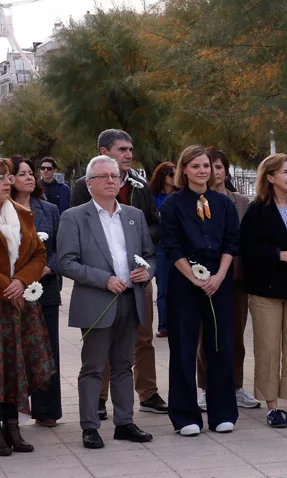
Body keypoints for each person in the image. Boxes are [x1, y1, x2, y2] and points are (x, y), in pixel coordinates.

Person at [57, 154, 155, 449]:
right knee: (94, 366)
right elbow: (66, 262)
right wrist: (104, 279)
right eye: (104, 177)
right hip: (98, 300)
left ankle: (124, 422)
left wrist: (145, 272)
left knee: (125, 364)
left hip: (131, 299)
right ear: (89, 184)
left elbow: (150, 255)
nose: (112, 180)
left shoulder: (133, 215)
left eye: (115, 176)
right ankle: (90, 426)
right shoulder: (74, 217)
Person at [70, 129, 167, 417]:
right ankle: (98, 398)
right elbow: (78, 229)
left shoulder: (140, 186)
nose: (128, 155)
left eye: (130, 149)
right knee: (101, 340)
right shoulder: (82, 186)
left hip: (137, 276)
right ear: (103, 152)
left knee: (143, 338)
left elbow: (155, 225)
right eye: (122, 149)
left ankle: (147, 393)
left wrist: (134, 241)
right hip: (101, 281)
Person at [159, 145, 240, 436]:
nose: (202, 171)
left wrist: (218, 276)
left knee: (220, 346)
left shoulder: (223, 204)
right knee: (182, 348)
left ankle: (222, 413)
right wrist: (193, 277)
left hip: (218, 282)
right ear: (184, 170)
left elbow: (231, 243)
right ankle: (185, 416)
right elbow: (171, 245)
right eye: (195, 166)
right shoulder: (172, 204)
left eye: (206, 165)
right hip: (185, 283)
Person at [240, 154, 287, 428]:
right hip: (265, 290)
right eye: (284, 172)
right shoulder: (256, 209)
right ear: (269, 177)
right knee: (268, 348)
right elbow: (246, 248)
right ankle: (272, 407)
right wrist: (277, 254)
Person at [0, 158, 55, 454]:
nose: (7, 184)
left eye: (8, 178)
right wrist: (7, 286)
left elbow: (39, 253)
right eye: (1, 179)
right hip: (3, 299)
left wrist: (21, 281)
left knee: (14, 368)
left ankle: (12, 427)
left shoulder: (22, 214)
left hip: (20, 303)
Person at [198, 148, 258, 410]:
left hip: (236, 278)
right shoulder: (197, 201)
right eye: (211, 167)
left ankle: (236, 386)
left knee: (235, 334)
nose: (216, 172)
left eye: (220, 167)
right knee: (205, 335)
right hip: (205, 278)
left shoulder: (242, 202)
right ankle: (205, 387)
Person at [11, 157, 62, 426]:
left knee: (48, 350)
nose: (30, 177)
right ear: (10, 178)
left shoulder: (50, 210)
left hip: (45, 288)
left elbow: (59, 249)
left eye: (31, 173)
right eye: (23, 173)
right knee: (13, 352)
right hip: (11, 290)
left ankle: (47, 411)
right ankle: (11, 415)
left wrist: (44, 268)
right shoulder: (4, 211)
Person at [147, 163, 177, 338]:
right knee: (163, 287)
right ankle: (164, 325)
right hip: (161, 247)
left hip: (179, 247)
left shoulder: (181, 196)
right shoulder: (153, 197)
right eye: (171, 174)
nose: (174, 177)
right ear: (163, 176)